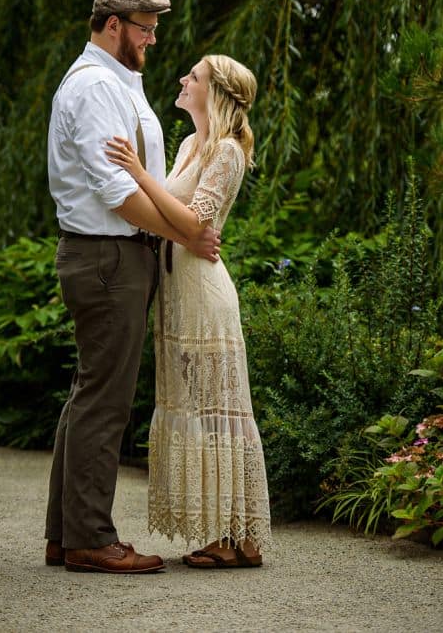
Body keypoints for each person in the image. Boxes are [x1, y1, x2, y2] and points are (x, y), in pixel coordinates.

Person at [44, 0, 220, 575]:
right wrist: (186, 234)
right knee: (105, 401)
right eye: (143, 28)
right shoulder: (95, 87)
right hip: (108, 258)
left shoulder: (119, 83)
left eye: (153, 28)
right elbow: (119, 193)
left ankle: (64, 534)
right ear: (113, 25)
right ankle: (91, 539)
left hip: (113, 258)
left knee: (89, 392)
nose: (151, 39)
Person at [105, 54, 271, 568]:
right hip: (176, 290)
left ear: (216, 92)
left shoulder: (226, 151)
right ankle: (234, 536)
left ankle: (233, 537)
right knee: (197, 405)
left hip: (204, 292)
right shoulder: (186, 146)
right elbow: (169, 218)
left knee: (213, 407)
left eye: (193, 76)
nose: (183, 80)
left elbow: (196, 221)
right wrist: (154, 200)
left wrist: (136, 172)